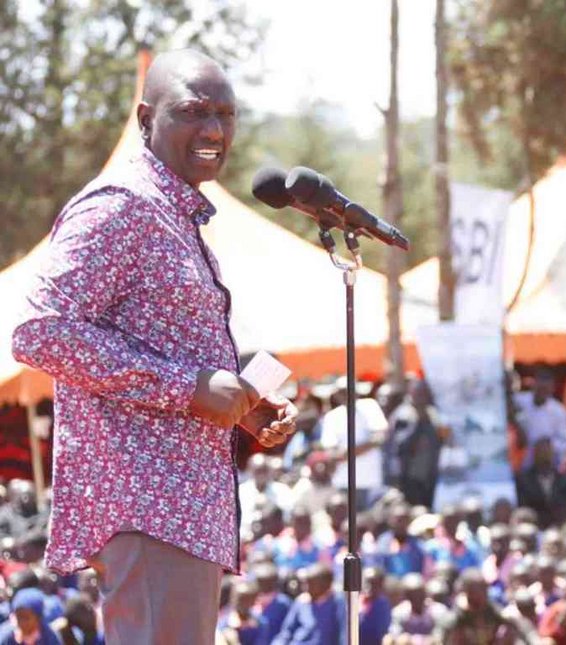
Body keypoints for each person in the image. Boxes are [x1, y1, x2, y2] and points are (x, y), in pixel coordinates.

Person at [10, 49, 298, 643]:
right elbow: (39, 329)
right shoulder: (121, 206)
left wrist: (239, 400)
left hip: (182, 512)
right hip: (147, 507)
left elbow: (162, 350)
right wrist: (188, 388)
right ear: (146, 119)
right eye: (193, 112)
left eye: (226, 114)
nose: (215, 130)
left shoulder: (174, 215)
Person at [387, 380, 444, 508]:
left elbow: (439, 441)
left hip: (428, 476)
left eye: (425, 393)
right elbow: (399, 445)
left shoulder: (433, 413)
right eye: (419, 393)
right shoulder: (403, 414)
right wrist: (418, 423)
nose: (422, 397)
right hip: (408, 477)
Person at [273, 563, 345, 645]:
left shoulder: (338, 605)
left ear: (325, 585)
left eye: (311, 584)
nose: (306, 588)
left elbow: (343, 636)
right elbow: (286, 633)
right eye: (305, 583)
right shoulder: (301, 603)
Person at [513, 369, 566, 468]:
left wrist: (546, 445)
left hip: (545, 462)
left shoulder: (559, 411)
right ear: (534, 385)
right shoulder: (519, 401)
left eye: (546, 389)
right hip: (518, 460)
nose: (542, 392)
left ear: (552, 389)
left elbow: (563, 443)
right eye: (540, 388)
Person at [515, 439, 566, 528]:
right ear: (534, 454)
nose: (544, 455)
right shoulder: (524, 480)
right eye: (541, 451)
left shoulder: (563, 479)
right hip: (533, 528)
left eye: (547, 451)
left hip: (559, 528)